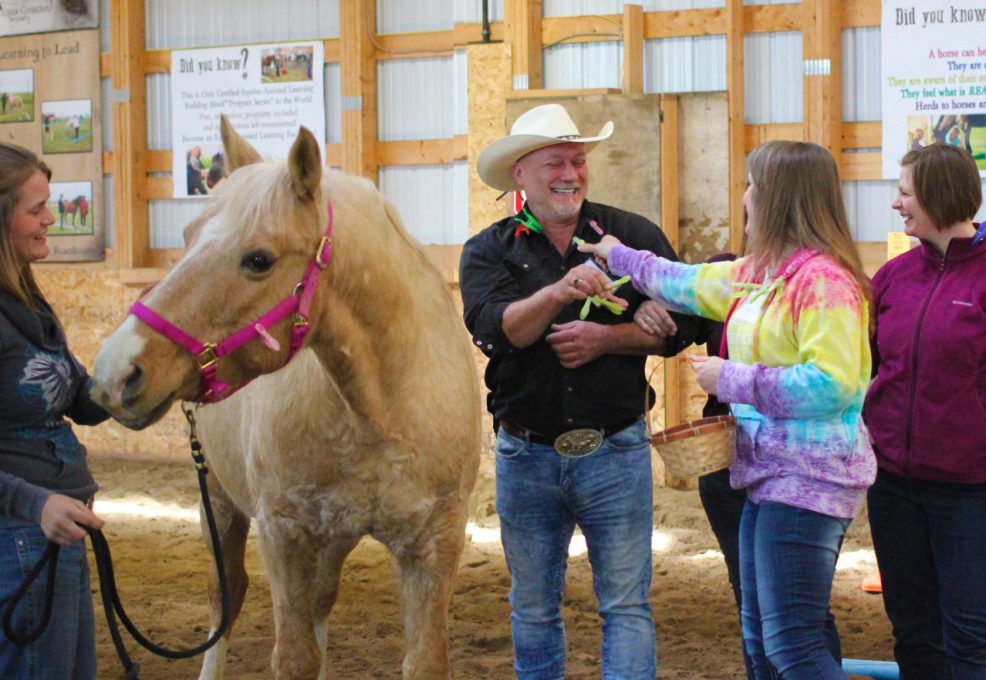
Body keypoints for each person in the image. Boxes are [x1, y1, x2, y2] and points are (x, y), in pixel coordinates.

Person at [580, 140, 875, 680]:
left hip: (809, 477)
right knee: (761, 637)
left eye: (751, 184)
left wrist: (734, 379)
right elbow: (685, 282)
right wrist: (617, 255)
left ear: (777, 197)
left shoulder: (824, 283)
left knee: (793, 646)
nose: (744, 196)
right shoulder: (761, 273)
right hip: (765, 474)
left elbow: (833, 385)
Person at [459, 103, 698, 680]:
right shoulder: (487, 250)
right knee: (535, 608)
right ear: (520, 173)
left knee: (625, 605)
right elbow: (497, 332)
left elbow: (685, 324)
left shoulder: (633, 236)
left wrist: (609, 339)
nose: (570, 173)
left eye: (578, 160)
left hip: (615, 448)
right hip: (526, 452)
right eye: (554, 162)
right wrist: (559, 292)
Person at [863, 143, 986, 679]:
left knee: (970, 636)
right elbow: (868, 366)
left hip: (969, 491)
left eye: (905, 192)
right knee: (913, 632)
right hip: (892, 485)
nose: (896, 204)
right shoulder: (891, 277)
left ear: (937, 197)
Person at [0, 143, 109, 679]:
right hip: (17, 540)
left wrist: (155, 358)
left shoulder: (26, 298)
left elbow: (80, 401)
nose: (51, 218)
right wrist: (34, 503)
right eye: (36, 208)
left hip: (52, 533)